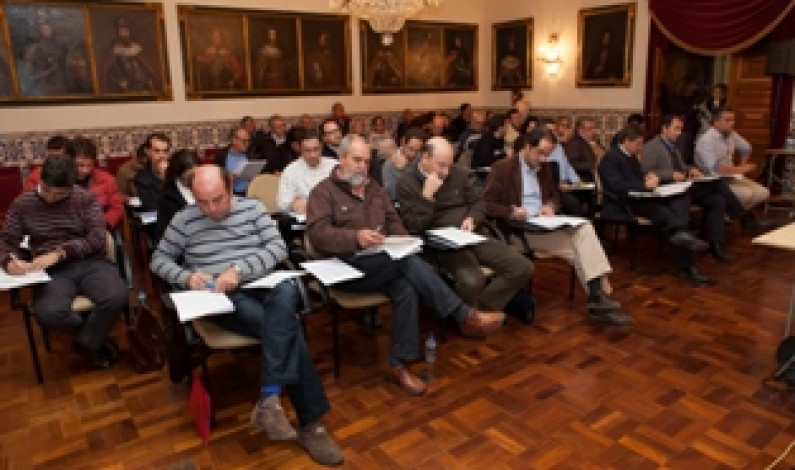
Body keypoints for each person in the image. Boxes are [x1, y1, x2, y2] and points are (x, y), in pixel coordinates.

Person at [151, 165, 343, 466]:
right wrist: (185, 277)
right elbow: (159, 259)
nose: (211, 209)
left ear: (230, 187)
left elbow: (277, 248)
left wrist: (239, 270)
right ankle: (307, 422)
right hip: (221, 296)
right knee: (288, 328)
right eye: (203, 202)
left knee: (286, 292)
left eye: (218, 199)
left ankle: (270, 399)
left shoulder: (252, 208)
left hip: (263, 283)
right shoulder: (184, 219)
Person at [306, 134, 506, 396]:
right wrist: (356, 237)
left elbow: (395, 224)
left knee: (406, 288)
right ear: (341, 159)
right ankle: (463, 314)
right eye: (356, 160)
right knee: (405, 263)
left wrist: (404, 241)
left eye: (366, 161)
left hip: (382, 262)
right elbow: (318, 235)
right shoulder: (323, 192)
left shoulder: (374, 190)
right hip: (346, 267)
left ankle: (398, 364)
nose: (362, 166)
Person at [483, 130, 631, 325]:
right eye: (540, 153)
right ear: (527, 147)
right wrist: (511, 211)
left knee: (585, 228)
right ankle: (598, 300)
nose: (543, 159)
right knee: (579, 251)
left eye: (547, 154)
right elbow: (486, 204)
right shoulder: (502, 168)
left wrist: (550, 206)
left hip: (543, 224)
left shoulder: (544, 167)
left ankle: (598, 299)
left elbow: (554, 196)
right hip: (519, 229)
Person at [1, 155, 127, 369]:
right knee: (48, 312)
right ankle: (92, 340)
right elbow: (6, 241)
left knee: (116, 296)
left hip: (90, 262)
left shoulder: (86, 199)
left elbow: (97, 239)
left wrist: (60, 253)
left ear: (72, 186)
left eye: (59, 194)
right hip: (51, 271)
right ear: (41, 180)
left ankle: (86, 343)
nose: (50, 198)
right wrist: (8, 261)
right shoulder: (23, 203)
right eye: (46, 190)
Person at [396, 137, 535, 320]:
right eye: (441, 165)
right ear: (424, 157)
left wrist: (472, 218)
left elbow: (479, 202)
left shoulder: (458, 174)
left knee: (523, 267)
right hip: (441, 246)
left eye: (449, 165)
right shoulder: (406, 183)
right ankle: (470, 318)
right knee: (472, 281)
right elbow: (414, 226)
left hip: (470, 234)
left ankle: (480, 311)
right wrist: (427, 197)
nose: (446, 172)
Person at [599, 126, 713, 284]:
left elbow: (636, 177)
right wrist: (644, 185)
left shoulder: (631, 156)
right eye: (638, 144)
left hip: (640, 197)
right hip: (623, 203)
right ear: (626, 141)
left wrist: (648, 177)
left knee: (679, 202)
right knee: (665, 214)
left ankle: (682, 240)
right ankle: (686, 256)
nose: (641, 148)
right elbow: (616, 185)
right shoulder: (611, 158)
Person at [642, 114, 759, 262]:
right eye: (676, 129)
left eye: (681, 129)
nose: (679, 133)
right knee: (717, 184)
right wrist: (670, 175)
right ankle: (743, 217)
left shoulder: (673, 146)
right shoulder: (652, 147)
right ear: (664, 129)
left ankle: (715, 244)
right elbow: (645, 172)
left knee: (718, 200)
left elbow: (682, 166)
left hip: (683, 186)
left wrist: (691, 170)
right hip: (669, 191)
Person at [25, 137, 124, 230]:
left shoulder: (107, 180)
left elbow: (117, 208)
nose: (85, 170)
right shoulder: (40, 176)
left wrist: (100, 224)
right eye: (80, 165)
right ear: (67, 160)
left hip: (97, 228)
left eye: (90, 165)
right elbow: (28, 206)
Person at [695, 107, 770, 211]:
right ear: (716, 122)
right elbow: (716, 169)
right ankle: (736, 215)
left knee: (763, 193)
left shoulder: (731, 134)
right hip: (713, 180)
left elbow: (746, 148)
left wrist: (742, 166)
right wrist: (741, 169)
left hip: (731, 176)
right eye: (727, 120)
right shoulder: (706, 140)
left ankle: (735, 215)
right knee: (747, 194)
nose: (732, 123)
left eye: (733, 120)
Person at [277, 128, 337, 214]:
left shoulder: (334, 166)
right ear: (300, 149)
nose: (312, 155)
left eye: (316, 149)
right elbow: (281, 203)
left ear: (322, 147)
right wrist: (293, 203)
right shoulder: (290, 170)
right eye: (307, 150)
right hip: (304, 217)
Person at [539, 119, 585, 216]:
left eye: (554, 130)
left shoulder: (559, 147)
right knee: (573, 204)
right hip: (552, 188)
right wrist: (558, 185)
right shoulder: (540, 149)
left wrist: (577, 180)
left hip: (566, 184)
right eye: (549, 131)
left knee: (587, 191)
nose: (552, 133)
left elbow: (567, 165)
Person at [154, 149, 200, 243]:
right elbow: (163, 234)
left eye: (195, 174)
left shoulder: (204, 187)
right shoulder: (167, 197)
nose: (193, 179)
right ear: (178, 174)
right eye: (189, 176)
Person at [102, 16, 158, 93]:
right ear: (118, 33)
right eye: (121, 31)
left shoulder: (138, 47)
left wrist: (149, 80)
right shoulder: (114, 50)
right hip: (127, 89)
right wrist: (119, 80)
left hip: (143, 86)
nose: (124, 34)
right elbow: (108, 72)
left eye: (126, 31)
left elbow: (148, 68)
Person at [382, 127, 427, 201]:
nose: (413, 154)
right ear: (402, 142)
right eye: (410, 149)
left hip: (418, 200)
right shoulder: (389, 165)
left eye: (417, 151)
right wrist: (400, 171)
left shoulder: (420, 159)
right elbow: (391, 194)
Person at [194, 27, 244, 91]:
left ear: (221, 38)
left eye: (218, 37)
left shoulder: (227, 53)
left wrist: (233, 80)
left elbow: (238, 70)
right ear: (212, 39)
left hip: (225, 83)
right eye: (214, 37)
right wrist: (200, 59)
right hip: (210, 83)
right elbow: (203, 60)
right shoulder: (209, 51)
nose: (216, 39)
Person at [214, 125, 255, 196]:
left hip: (249, 192)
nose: (247, 144)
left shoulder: (250, 154)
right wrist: (229, 178)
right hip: (230, 194)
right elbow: (215, 178)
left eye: (248, 141)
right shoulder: (221, 156)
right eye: (244, 141)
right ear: (234, 140)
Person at [134, 133, 170, 212]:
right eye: (157, 151)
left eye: (165, 151)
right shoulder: (142, 178)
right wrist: (162, 179)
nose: (162, 156)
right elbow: (151, 207)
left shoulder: (177, 171)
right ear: (147, 151)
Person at [563, 117, 600, 182]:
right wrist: (594, 164)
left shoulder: (592, 141)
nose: (594, 131)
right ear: (580, 129)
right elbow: (573, 164)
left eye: (594, 128)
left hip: (591, 179)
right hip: (581, 181)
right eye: (591, 128)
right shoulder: (575, 143)